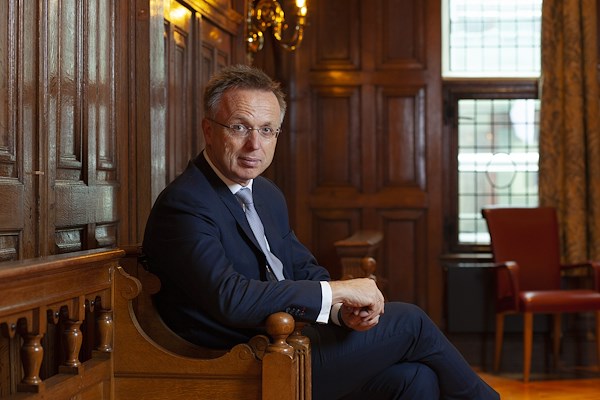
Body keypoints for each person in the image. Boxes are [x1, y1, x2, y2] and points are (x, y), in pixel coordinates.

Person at [143, 64, 500, 400]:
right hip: (240, 363)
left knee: (415, 379)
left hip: (289, 342)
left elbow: (302, 266)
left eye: (267, 130)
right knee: (410, 323)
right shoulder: (185, 203)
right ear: (208, 130)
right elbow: (231, 298)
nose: (255, 144)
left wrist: (341, 311)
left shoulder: (266, 194)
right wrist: (337, 291)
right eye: (239, 127)